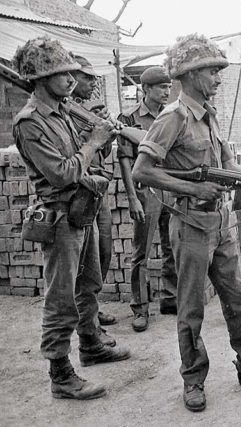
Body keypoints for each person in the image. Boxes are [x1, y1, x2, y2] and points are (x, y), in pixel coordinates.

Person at [132, 34, 241, 412]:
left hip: (220, 224)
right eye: (211, 72)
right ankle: (193, 379)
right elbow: (142, 171)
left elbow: (229, 166)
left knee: (240, 299)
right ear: (191, 75)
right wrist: (194, 187)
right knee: (191, 309)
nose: (218, 79)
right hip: (190, 224)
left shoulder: (209, 115)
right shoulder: (172, 117)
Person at [12, 37, 130, 400]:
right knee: (61, 297)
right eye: (62, 73)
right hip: (60, 218)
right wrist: (93, 143)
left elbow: (76, 160)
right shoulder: (29, 123)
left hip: (81, 209)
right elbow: (61, 174)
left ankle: (91, 344)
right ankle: (60, 374)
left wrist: (94, 156)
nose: (70, 79)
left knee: (89, 283)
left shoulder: (63, 111)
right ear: (40, 77)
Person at [117, 66, 177, 332]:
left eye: (169, 87)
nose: (167, 91)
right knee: (141, 252)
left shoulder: (171, 115)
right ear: (146, 89)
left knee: (171, 246)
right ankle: (140, 308)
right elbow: (125, 160)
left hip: (170, 188)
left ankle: (170, 299)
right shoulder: (129, 118)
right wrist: (132, 198)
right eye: (162, 87)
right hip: (145, 191)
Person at [69, 54, 118, 345]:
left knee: (103, 251)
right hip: (82, 191)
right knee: (85, 263)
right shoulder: (66, 113)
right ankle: (88, 323)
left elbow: (104, 152)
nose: (93, 83)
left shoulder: (88, 109)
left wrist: (105, 131)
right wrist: (89, 129)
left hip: (99, 190)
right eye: (86, 78)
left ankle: (93, 311)